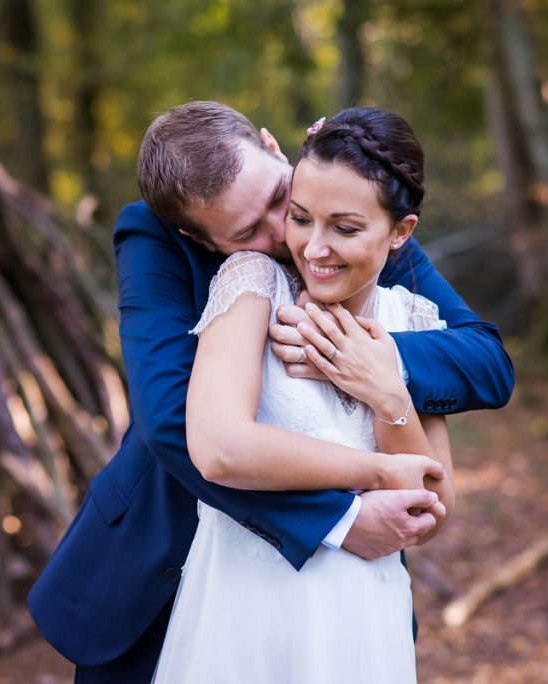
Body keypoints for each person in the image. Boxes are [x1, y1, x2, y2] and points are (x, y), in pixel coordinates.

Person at [28, 101, 515, 683]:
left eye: (279, 199)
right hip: (168, 565)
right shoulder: (160, 239)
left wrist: (361, 361)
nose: (290, 238)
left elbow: (487, 363)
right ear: (197, 236)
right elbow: (168, 421)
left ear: (272, 146)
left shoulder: (356, 214)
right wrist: (340, 517)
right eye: (245, 233)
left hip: (349, 607)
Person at [152, 107, 450, 683]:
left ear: (400, 233)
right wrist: (377, 475)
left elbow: (433, 507)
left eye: (344, 227)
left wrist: (385, 388)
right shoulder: (252, 280)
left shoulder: (416, 320)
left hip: (365, 615)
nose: (312, 248)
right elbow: (219, 448)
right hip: (249, 608)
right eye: (301, 218)